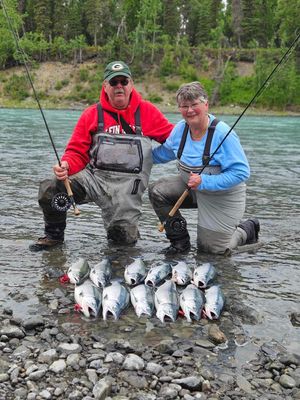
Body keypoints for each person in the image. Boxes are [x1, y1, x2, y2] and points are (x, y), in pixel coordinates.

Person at [29, 61, 173, 252]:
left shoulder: (148, 112)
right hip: (94, 180)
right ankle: (54, 237)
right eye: (114, 82)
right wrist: (65, 165)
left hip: (127, 189)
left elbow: (175, 142)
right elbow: (76, 152)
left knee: (122, 243)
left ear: (131, 84)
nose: (119, 86)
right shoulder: (91, 114)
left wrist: (155, 156)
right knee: (50, 188)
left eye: (124, 81)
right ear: (105, 87)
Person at [148, 81, 260, 255]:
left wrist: (204, 181)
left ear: (206, 104)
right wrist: (139, 158)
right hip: (192, 190)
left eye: (194, 104)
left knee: (212, 250)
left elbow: (241, 172)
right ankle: (180, 243)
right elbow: (165, 153)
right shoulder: (180, 129)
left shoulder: (223, 134)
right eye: (184, 106)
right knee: (157, 191)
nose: (190, 110)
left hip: (222, 197)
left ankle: (247, 229)